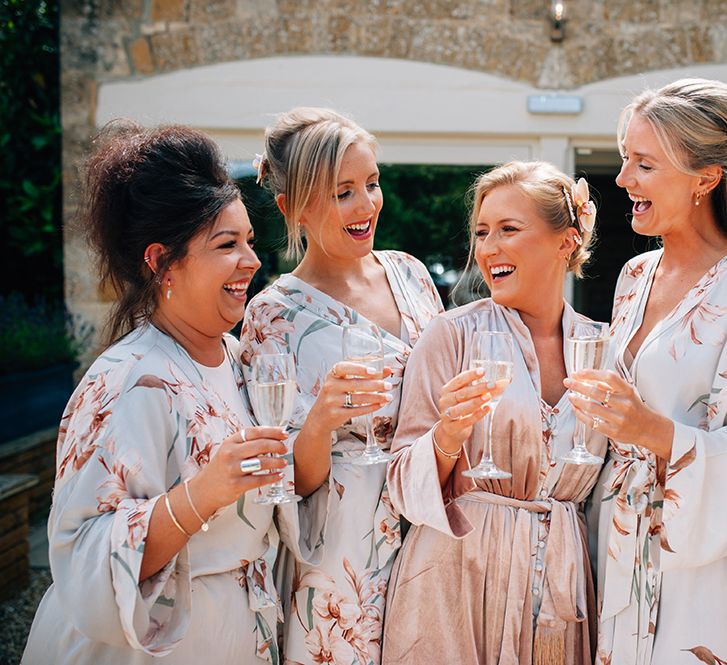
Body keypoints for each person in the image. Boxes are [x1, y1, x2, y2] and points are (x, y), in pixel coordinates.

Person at [22, 123, 309, 665]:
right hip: (150, 645)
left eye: (249, 241)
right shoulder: (128, 381)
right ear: (161, 263)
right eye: (227, 245)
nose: (251, 261)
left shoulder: (243, 358)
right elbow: (85, 556)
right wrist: (202, 492)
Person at [382, 161, 609, 665]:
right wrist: (449, 433)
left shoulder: (603, 347)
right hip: (459, 578)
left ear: (566, 241)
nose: (488, 248)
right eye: (482, 232)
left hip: (562, 578)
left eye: (509, 229)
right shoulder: (452, 335)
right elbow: (399, 483)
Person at [239, 107, 443, 665]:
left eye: (371, 184)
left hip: (432, 524)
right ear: (291, 207)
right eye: (341, 192)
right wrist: (321, 420)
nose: (366, 205)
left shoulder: (411, 274)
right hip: (343, 554)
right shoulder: (271, 316)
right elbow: (285, 480)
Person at [564, 78, 727, 665]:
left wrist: (649, 430)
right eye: (627, 159)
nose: (623, 179)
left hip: (699, 566)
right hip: (616, 539)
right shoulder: (635, 275)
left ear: (706, 178)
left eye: (644, 164)